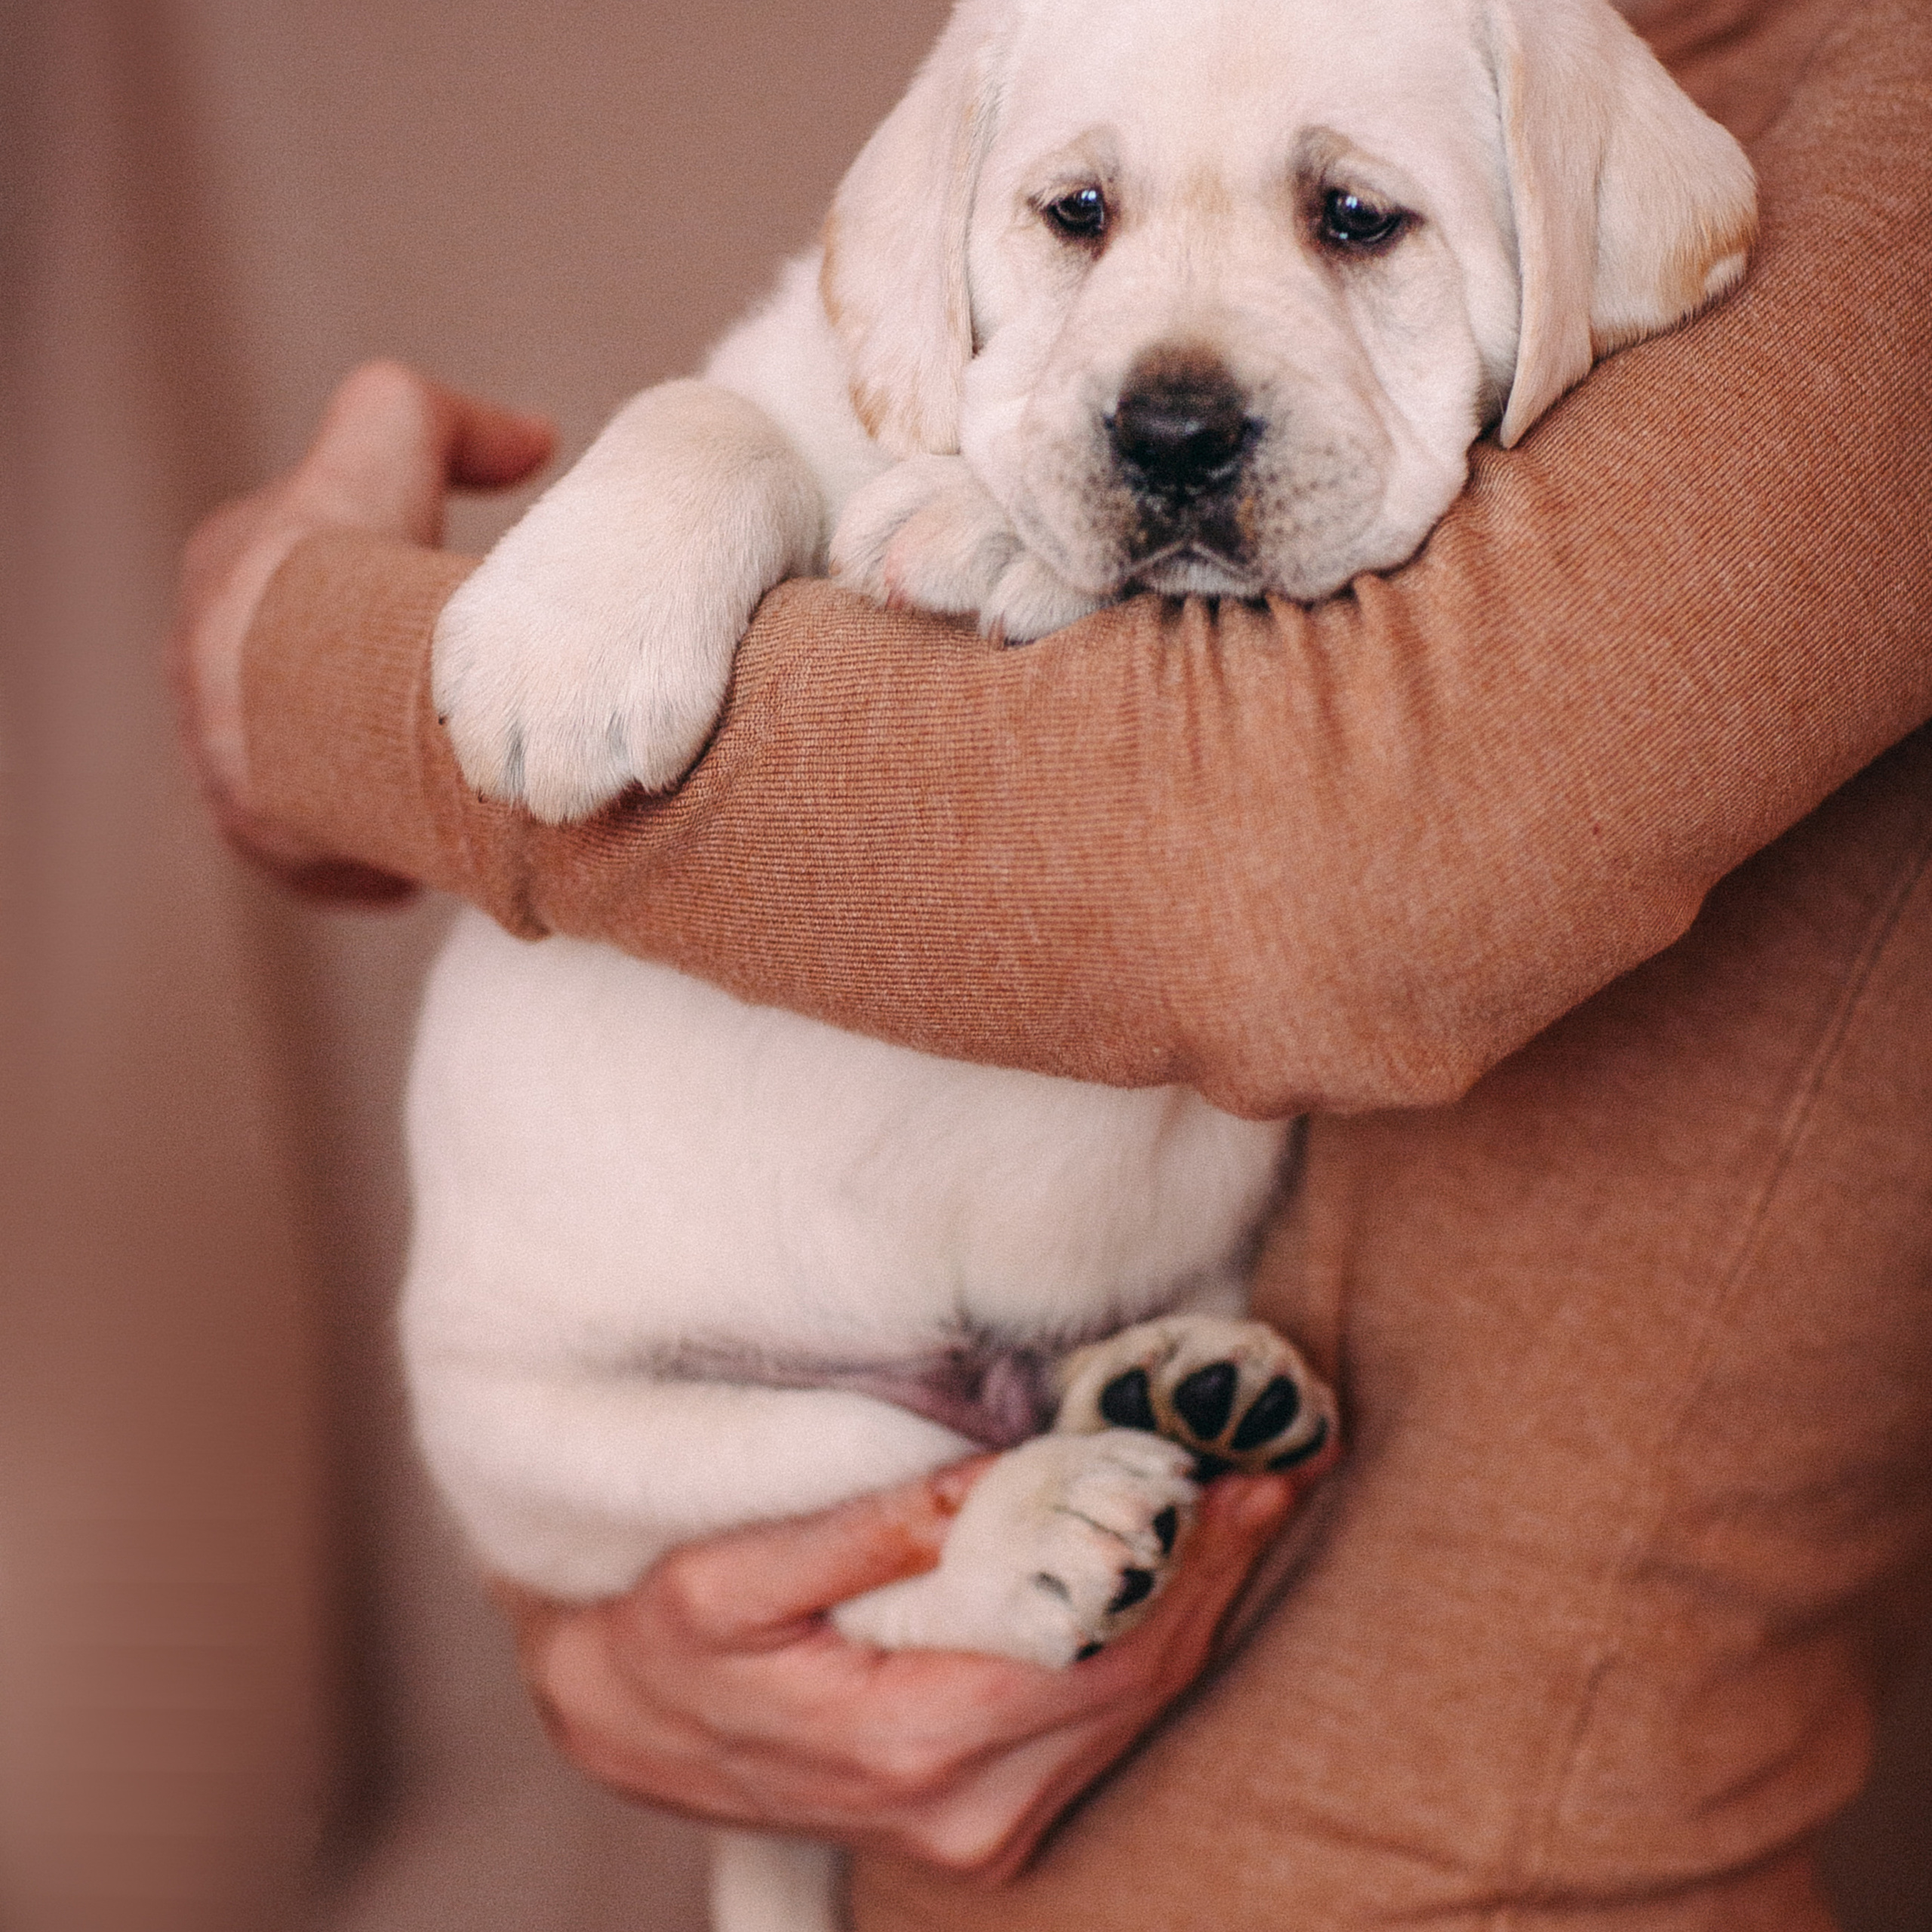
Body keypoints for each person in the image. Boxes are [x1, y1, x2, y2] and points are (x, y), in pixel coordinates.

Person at [173, 0, 1932, 1923]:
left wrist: (303, 665)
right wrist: (638, 1629)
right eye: (1078, 215)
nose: (1170, 393)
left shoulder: (1821, 125)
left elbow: (1304, 880)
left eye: (1351, 222)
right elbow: (778, 463)